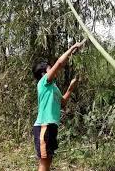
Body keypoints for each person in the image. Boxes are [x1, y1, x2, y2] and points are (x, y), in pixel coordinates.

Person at [31, 40, 85, 171]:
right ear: (44, 73)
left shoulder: (53, 87)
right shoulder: (43, 82)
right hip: (44, 126)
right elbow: (60, 63)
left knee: (48, 160)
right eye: (50, 68)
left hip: (51, 126)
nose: (53, 69)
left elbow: (62, 103)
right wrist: (72, 48)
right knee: (44, 163)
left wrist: (71, 88)